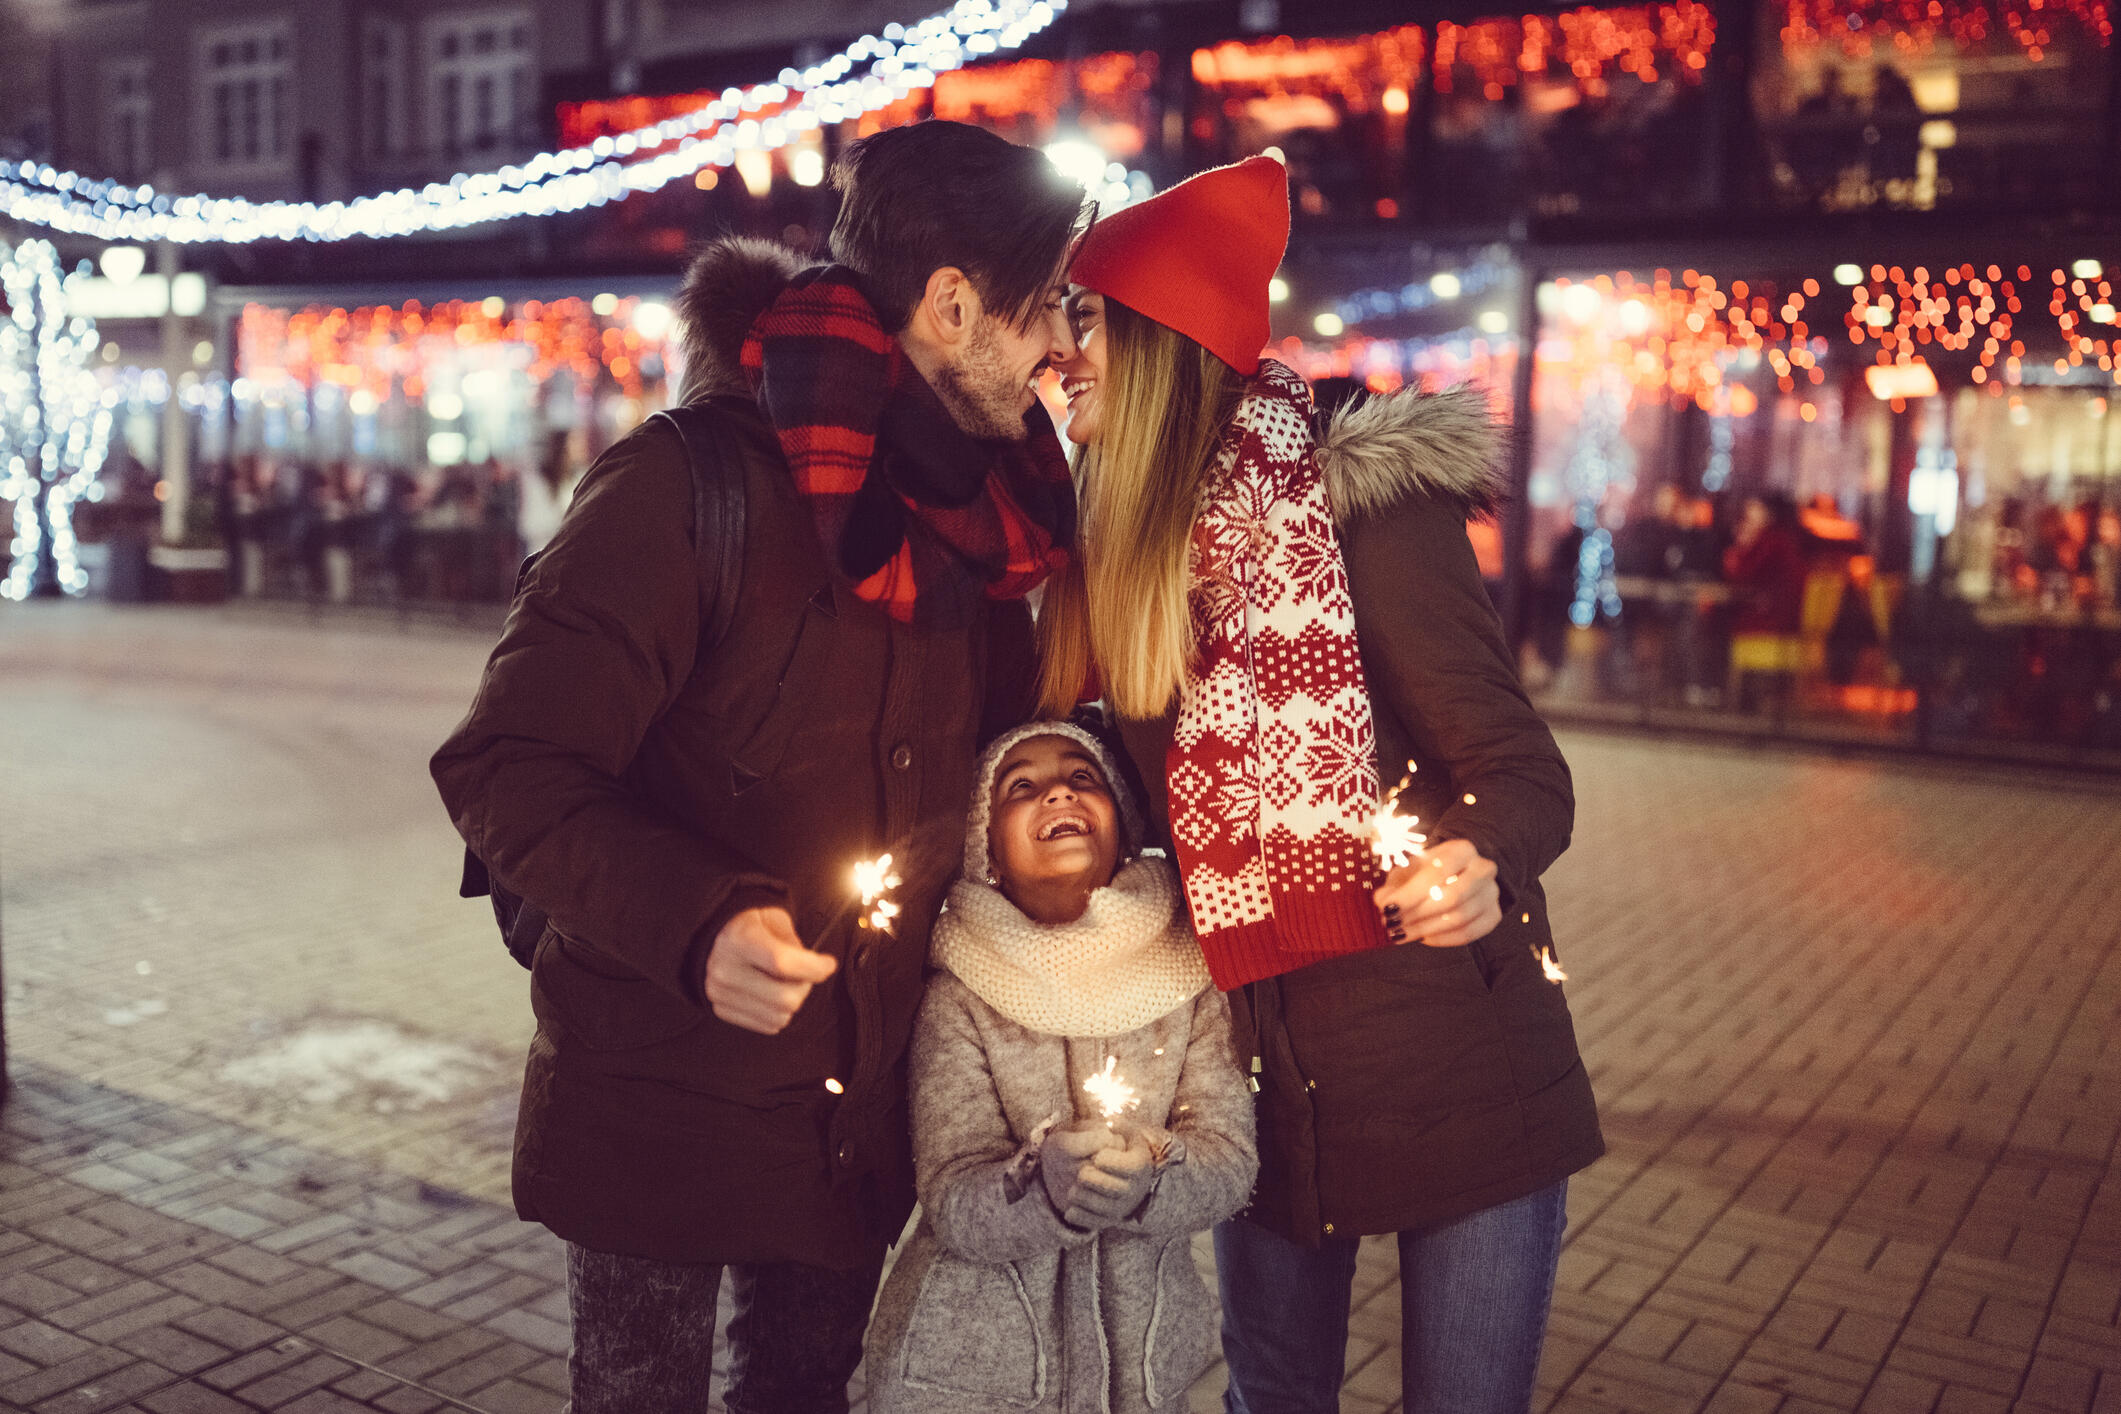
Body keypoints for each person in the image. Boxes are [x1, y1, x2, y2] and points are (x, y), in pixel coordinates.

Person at [429, 120, 1089, 1414]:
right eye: (1048, 305)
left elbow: (1001, 769)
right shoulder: (684, 486)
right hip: (659, 1094)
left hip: (859, 1109)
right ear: (952, 305)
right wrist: (699, 920)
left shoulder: (982, 524)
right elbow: (506, 764)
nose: (1066, 345)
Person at [1039, 154, 1602, 1413]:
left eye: (1088, 325)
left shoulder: (1357, 513)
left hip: (1463, 1070)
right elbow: (1131, 796)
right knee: (1272, 1398)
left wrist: (1479, 859)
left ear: (1164, 343)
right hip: (1269, 1089)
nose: (1064, 355)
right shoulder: (1110, 557)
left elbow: (1520, 769)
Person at [864, 721, 1257, 1413]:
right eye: (1022, 786)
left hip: (1136, 1383)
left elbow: (1227, 1162)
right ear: (985, 848)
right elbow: (953, 1200)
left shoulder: (1187, 971)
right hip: (966, 1382)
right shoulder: (959, 989)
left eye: (1083, 777)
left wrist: (1150, 1172)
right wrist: (1041, 1187)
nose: (1056, 793)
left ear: (1125, 825)